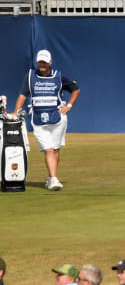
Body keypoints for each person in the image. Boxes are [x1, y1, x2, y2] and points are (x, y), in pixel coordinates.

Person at [12, 49, 80, 192]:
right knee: (48, 150)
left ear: (50, 62)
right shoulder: (30, 76)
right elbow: (23, 95)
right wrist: (15, 112)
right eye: (40, 61)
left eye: (44, 61)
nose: (41, 64)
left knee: (55, 149)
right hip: (38, 119)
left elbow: (75, 89)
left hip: (58, 118)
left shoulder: (59, 76)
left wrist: (69, 106)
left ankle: (51, 177)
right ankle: (54, 179)